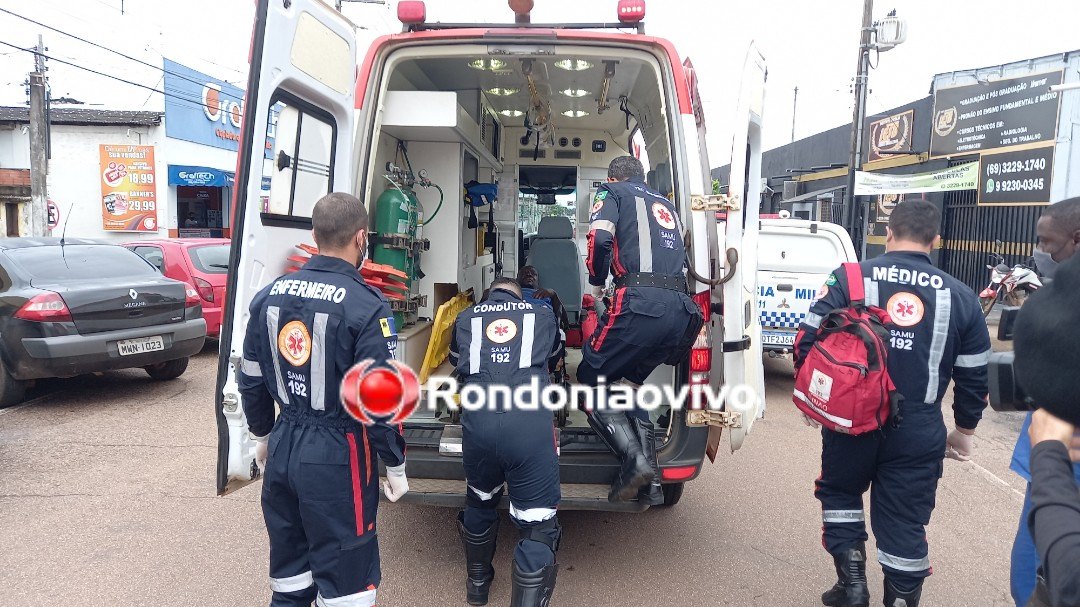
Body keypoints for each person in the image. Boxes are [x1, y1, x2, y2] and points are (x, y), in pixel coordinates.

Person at [793, 198, 991, 607]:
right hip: (919, 426)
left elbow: (808, 339)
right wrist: (964, 430)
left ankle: (852, 586)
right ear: (935, 240)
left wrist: (818, 398)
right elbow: (974, 375)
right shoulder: (961, 297)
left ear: (888, 233)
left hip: (851, 419)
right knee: (904, 517)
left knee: (840, 493)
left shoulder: (849, 278)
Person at [239, 192, 408, 607]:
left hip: (283, 445)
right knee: (346, 587)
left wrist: (263, 434)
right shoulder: (366, 306)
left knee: (290, 581)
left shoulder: (268, 296)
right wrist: (395, 463)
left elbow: (251, 377)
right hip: (339, 456)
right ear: (362, 237)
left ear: (314, 235)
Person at [577, 155, 703, 505]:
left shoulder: (612, 193)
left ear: (612, 178)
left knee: (590, 377)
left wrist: (596, 282)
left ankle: (636, 463)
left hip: (639, 306)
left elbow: (600, 238)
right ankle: (653, 483)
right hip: (680, 313)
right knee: (629, 381)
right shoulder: (667, 205)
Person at [448, 277, 563, 607]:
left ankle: (477, 586)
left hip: (479, 426)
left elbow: (456, 361)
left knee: (480, 500)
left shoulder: (467, 318)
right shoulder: (541, 315)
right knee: (538, 525)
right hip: (528, 427)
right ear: (519, 296)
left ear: (489, 296)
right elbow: (556, 357)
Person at [1009, 196, 1080, 606]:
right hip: (1051, 460)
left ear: (1076, 239)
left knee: (1038, 573)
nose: (1040, 252)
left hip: (1060, 463)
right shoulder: (1055, 297)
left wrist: (1050, 452)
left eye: (1046, 242)